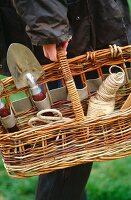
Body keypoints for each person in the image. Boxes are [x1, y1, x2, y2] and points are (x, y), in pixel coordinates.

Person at [11, 0, 131, 200]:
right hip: (68, 29)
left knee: (74, 158)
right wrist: (50, 32)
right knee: (69, 152)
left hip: (98, 17)